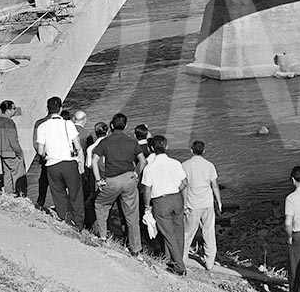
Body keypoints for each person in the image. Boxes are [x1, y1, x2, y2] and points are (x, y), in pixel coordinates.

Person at [90, 113, 146, 251]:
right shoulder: (132, 142)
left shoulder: (105, 141)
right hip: (129, 179)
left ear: (112, 125)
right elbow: (143, 161)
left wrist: (98, 180)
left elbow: (94, 160)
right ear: (126, 126)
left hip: (112, 180)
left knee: (100, 204)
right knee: (132, 216)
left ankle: (102, 237)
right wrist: (136, 174)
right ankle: (136, 249)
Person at [35, 96, 85, 230]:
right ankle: (78, 223)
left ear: (47, 109)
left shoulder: (42, 126)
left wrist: (48, 155)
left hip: (52, 164)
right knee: (75, 193)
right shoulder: (68, 124)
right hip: (69, 163)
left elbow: (40, 150)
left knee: (58, 193)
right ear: (61, 108)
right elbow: (78, 146)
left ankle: (64, 219)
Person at [142, 135, 188, 274]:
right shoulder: (176, 163)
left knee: (168, 235)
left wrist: (147, 206)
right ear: (166, 146)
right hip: (176, 198)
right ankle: (174, 260)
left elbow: (147, 190)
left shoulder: (149, 168)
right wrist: (175, 191)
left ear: (151, 148)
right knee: (179, 232)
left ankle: (180, 266)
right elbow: (185, 183)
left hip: (161, 201)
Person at [182, 140, 222, 270]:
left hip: (192, 202)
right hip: (207, 202)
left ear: (191, 150)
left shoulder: (185, 165)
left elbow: (184, 186)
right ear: (203, 151)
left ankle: (183, 256)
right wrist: (219, 201)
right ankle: (209, 261)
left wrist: (183, 204)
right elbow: (214, 185)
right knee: (208, 230)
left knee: (188, 231)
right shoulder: (209, 165)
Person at [0, 100, 25, 196]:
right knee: (18, 175)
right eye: (14, 108)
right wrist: (20, 153)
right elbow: (13, 141)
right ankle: (19, 195)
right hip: (11, 153)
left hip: (2, 152)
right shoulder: (9, 122)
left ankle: (8, 194)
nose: (15, 110)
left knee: (7, 175)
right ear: (8, 110)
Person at [73, 110, 95, 228]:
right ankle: (85, 220)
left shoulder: (68, 131)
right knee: (84, 193)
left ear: (73, 119)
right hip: (83, 167)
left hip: (69, 164)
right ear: (84, 120)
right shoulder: (87, 134)